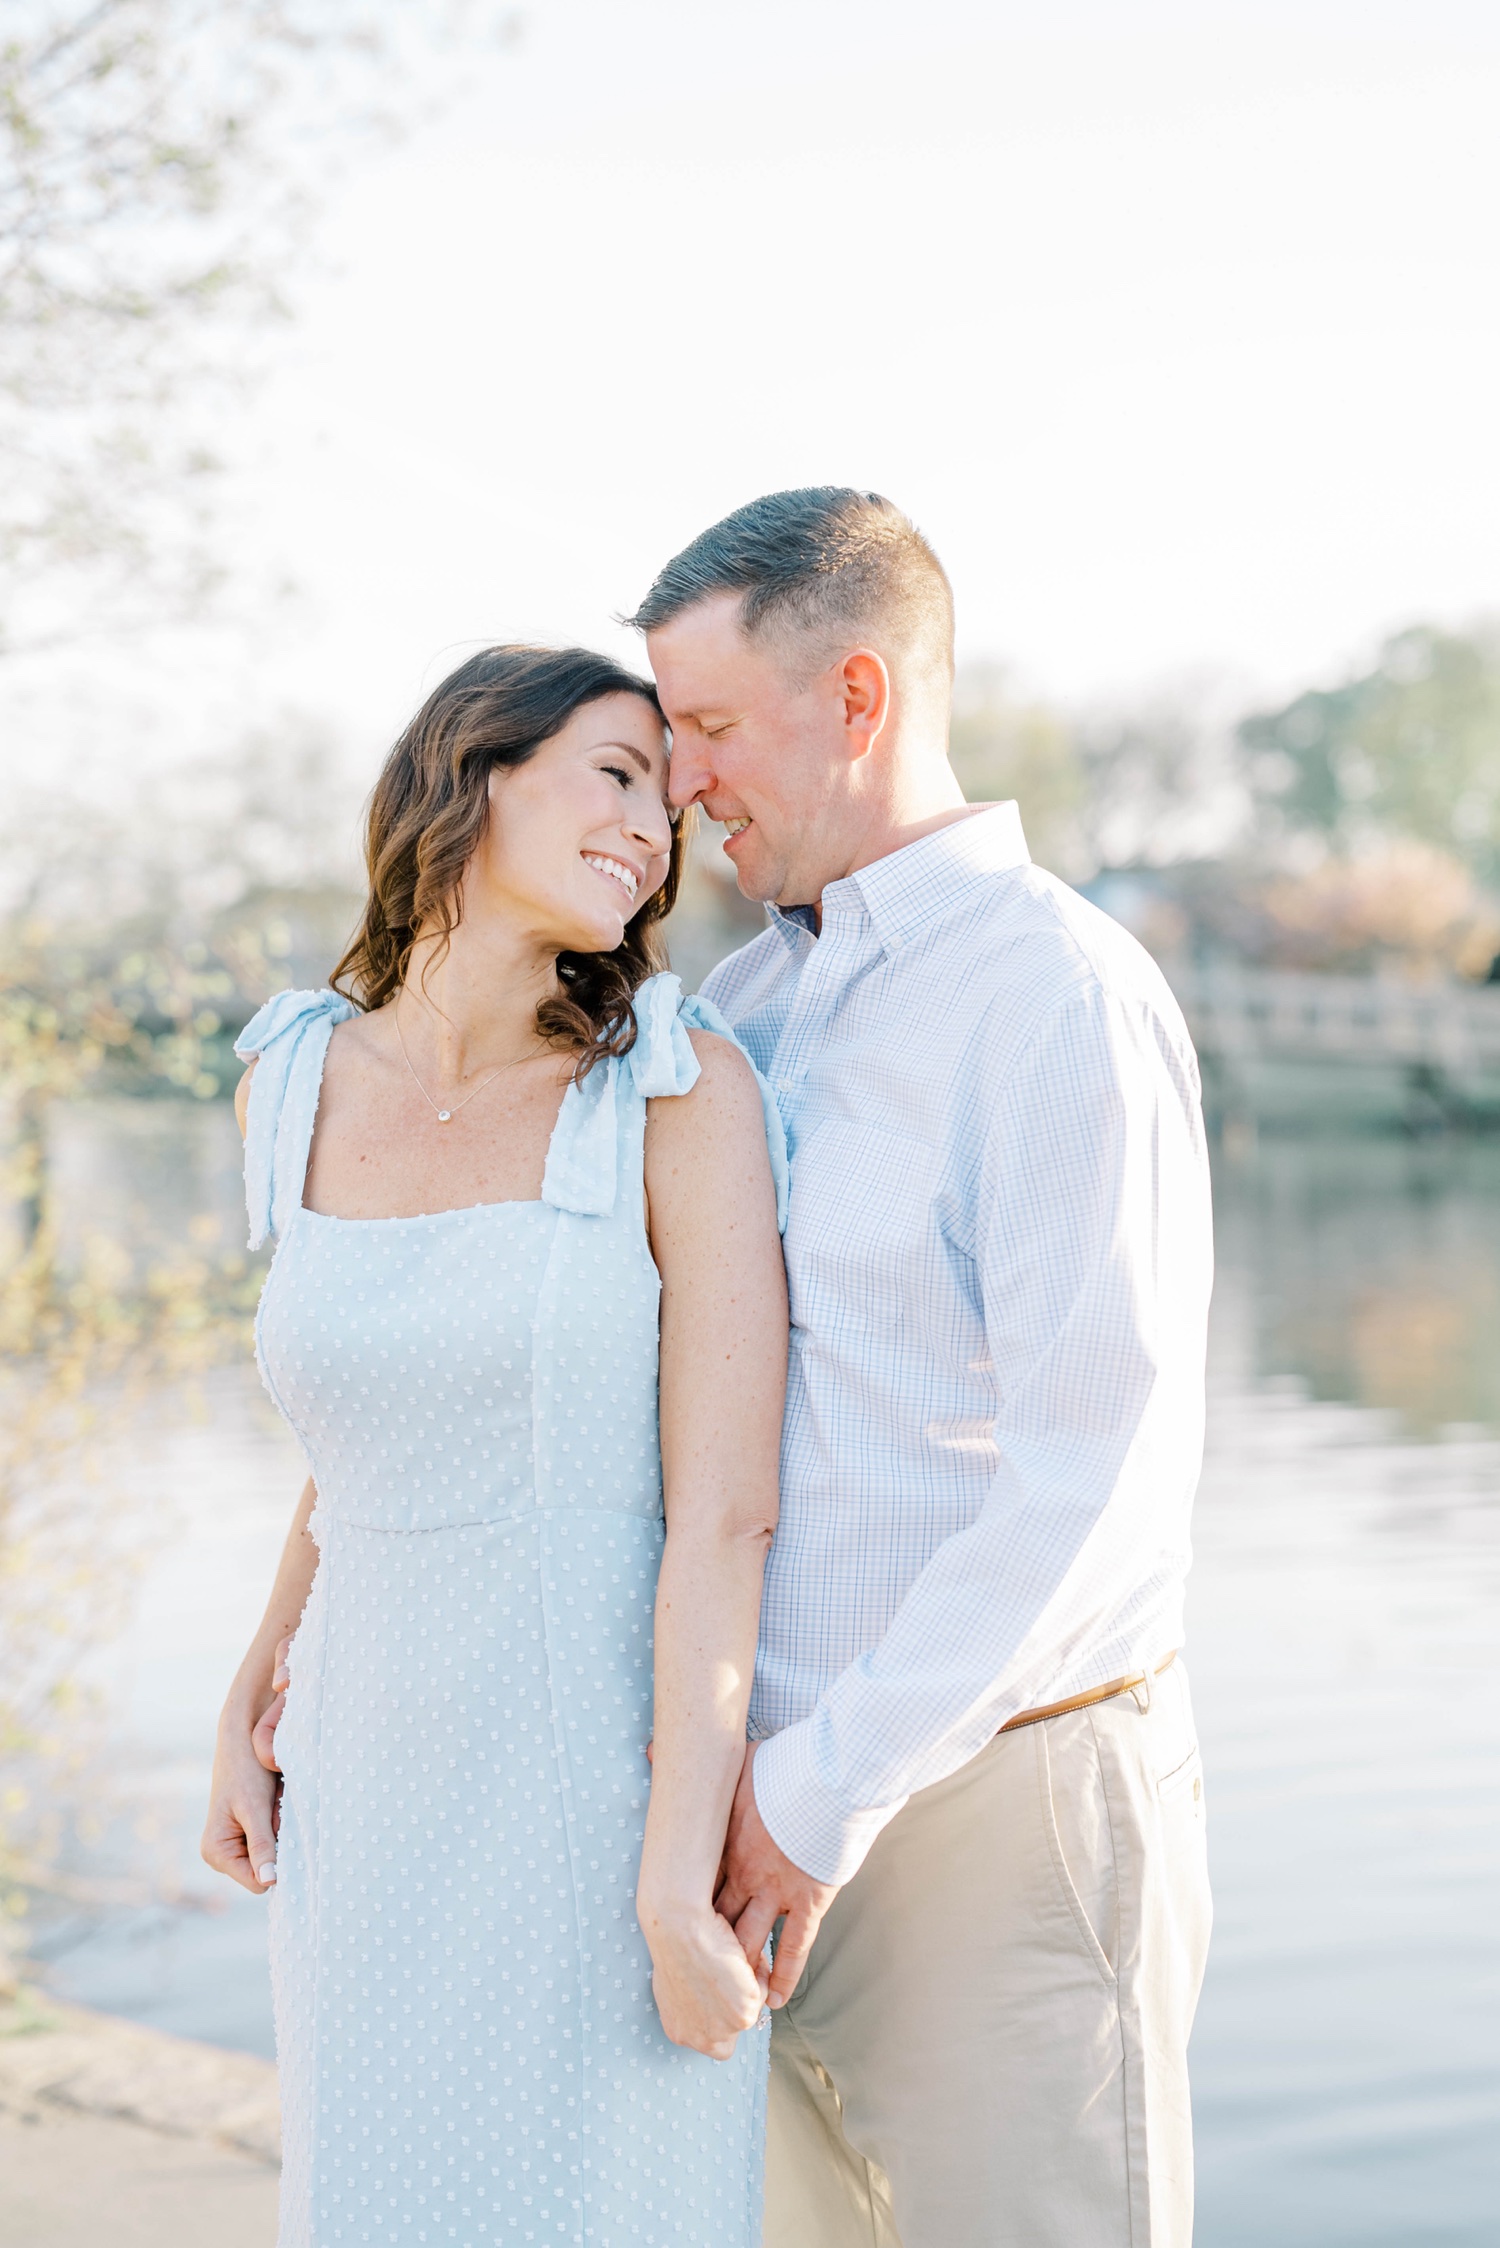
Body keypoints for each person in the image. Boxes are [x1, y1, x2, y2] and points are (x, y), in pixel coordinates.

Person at [631, 490, 1215, 2248]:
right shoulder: (748, 1010)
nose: (681, 782)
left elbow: (1091, 1479)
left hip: (998, 1814)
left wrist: (812, 1798)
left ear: (861, 698)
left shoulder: (1055, 994)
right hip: (757, 1817)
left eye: (713, 728)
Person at [200, 645, 789, 2247]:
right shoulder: (289, 1077)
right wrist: (257, 1678)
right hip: (361, 1782)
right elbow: (362, 1434)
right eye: (615, 770)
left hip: (588, 1791)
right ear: (472, 771)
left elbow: (728, 1512)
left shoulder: (675, 1090)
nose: (655, 825)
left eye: (668, 796)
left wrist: (678, 1875)